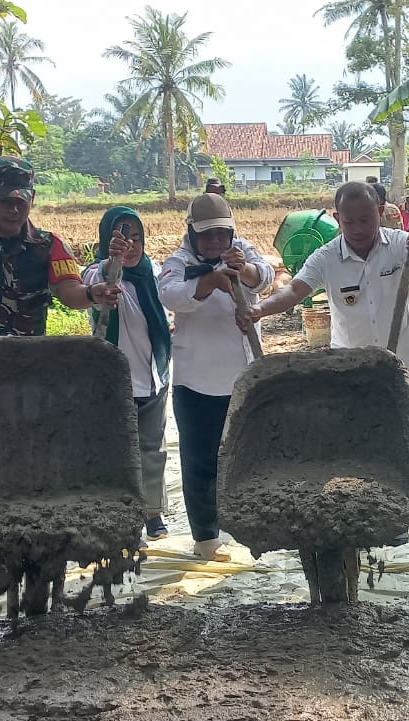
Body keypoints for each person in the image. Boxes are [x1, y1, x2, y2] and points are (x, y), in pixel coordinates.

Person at [158, 192, 274, 561]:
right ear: (192, 234)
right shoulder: (179, 261)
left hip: (244, 377)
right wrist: (210, 281)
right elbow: (172, 295)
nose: (215, 243)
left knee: (246, 455)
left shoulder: (241, 251)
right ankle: (206, 535)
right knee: (201, 459)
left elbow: (265, 276)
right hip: (197, 380)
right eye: (206, 236)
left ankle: (246, 523)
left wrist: (244, 272)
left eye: (221, 235)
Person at [0, 156, 122, 361]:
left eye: (21, 202)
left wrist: (91, 293)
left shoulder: (50, 244)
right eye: (5, 201)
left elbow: (69, 289)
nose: (14, 210)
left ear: (33, 198)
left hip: (25, 364)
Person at [241, 181, 409, 372]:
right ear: (337, 218)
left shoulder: (400, 244)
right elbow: (293, 290)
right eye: (349, 222)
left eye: (365, 220)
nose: (358, 229)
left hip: (400, 366)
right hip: (349, 369)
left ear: (380, 211)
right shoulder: (326, 257)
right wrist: (259, 309)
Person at [83, 207, 173, 540]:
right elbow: (93, 283)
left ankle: (152, 512)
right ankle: (118, 514)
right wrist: (112, 262)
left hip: (154, 377)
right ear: (107, 241)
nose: (132, 246)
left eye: (137, 239)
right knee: (116, 450)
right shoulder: (101, 275)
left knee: (152, 448)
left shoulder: (155, 273)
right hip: (114, 382)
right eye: (122, 240)